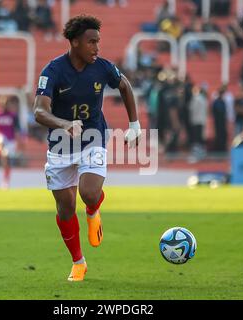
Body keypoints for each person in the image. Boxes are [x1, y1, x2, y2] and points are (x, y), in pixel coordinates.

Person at [33, 15, 141, 281]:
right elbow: (38, 111)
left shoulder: (103, 68)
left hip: (93, 137)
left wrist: (134, 124)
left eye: (98, 41)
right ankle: (78, 262)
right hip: (60, 146)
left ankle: (93, 209)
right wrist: (64, 124)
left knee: (89, 193)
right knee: (65, 209)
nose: (96, 47)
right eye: (91, 42)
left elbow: (125, 86)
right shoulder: (53, 71)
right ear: (74, 42)